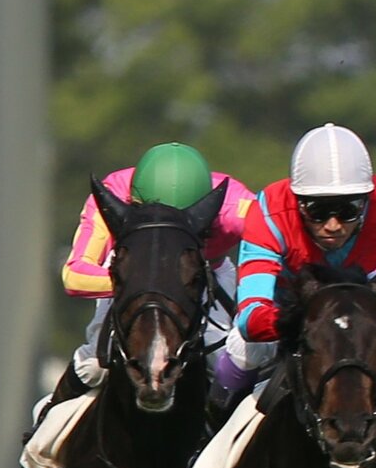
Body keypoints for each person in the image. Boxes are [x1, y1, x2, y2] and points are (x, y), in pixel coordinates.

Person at [222, 122, 376, 439]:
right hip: (288, 303)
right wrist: (308, 321)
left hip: (359, 297)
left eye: (348, 210)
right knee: (242, 352)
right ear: (298, 202)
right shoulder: (270, 213)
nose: (333, 225)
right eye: (317, 211)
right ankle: (204, 444)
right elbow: (250, 317)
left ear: (367, 201)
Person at [48, 142, 255, 409]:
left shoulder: (237, 206)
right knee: (94, 365)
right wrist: (144, 284)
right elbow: (75, 275)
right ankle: (44, 426)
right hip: (131, 272)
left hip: (203, 273)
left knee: (225, 362)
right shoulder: (114, 192)